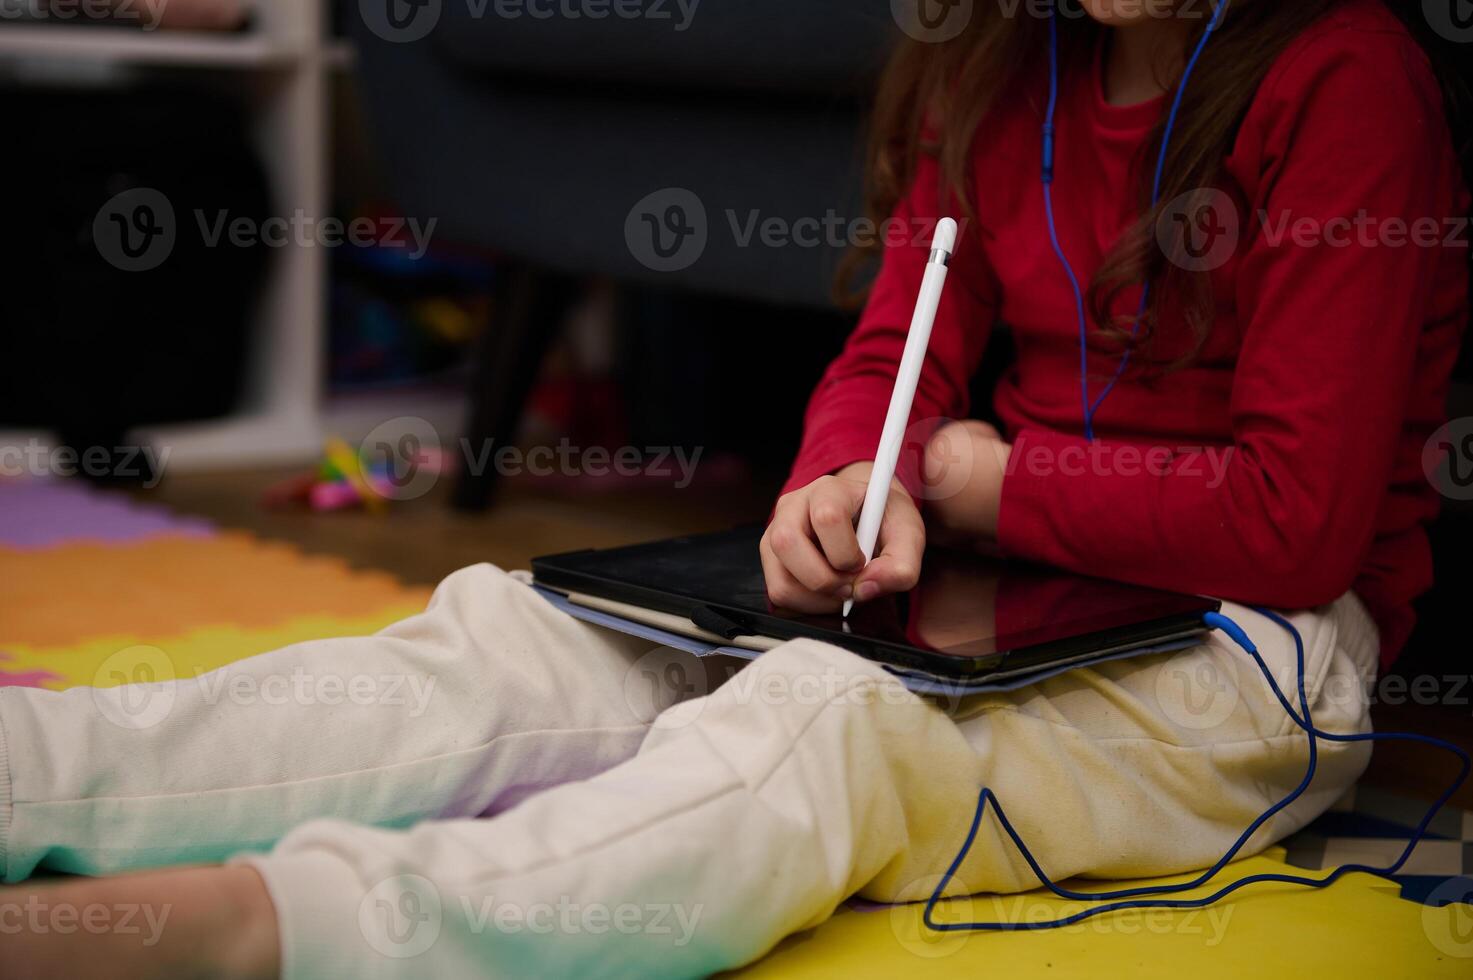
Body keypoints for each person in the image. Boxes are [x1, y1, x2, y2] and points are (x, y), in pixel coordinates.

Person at [2, 2, 1467, 976]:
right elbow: (897, 348)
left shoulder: (1344, 76)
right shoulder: (996, 60)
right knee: (516, 630)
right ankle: (37, 777)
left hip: (1249, 648)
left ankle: (250, 931)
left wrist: (972, 478)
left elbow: (1294, 522)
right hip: (993, 584)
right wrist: (846, 477)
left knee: (819, 731)